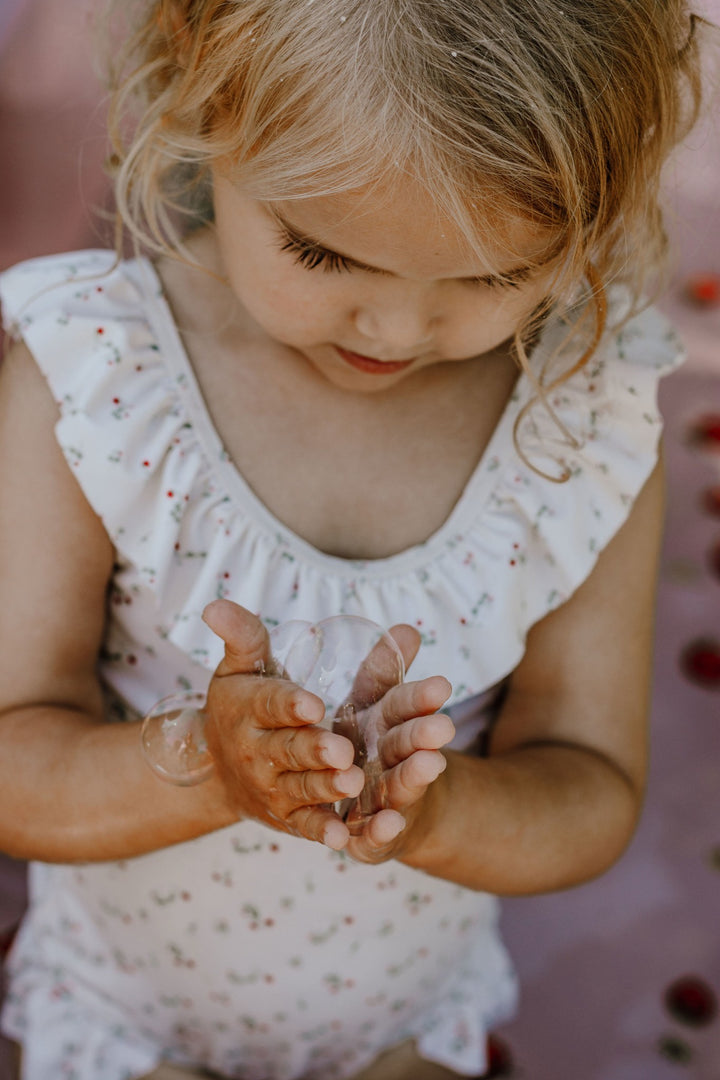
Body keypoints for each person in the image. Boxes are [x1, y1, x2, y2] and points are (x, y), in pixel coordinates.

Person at [0, 1, 709, 1077]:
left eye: (492, 276)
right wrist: (205, 766)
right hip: (121, 1017)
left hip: (401, 1027)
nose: (395, 330)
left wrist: (440, 811)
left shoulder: (581, 414)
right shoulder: (99, 379)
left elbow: (591, 781)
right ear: (205, 83)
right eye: (322, 252)